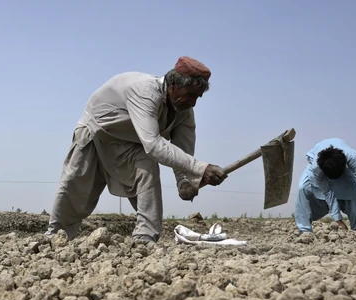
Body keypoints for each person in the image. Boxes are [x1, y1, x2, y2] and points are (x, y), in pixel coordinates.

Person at [45, 56, 227, 244]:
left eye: (197, 97)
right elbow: (154, 145)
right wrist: (201, 168)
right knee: (75, 185)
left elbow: (183, 152)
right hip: (97, 133)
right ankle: (55, 238)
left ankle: (145, 238)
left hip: (132, 144)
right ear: (173, 84)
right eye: (189, 94)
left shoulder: (184, 112)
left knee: (147, 167)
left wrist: (184, 181)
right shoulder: (145, 92)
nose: (193, 102)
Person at [294, 138, 356, 233]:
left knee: (354, 192)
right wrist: (338, 220)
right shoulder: (317, 167)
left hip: (344, 169)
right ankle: (304, 231)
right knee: (303, 187)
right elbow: (328, 193)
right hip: (320, 170)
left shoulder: (353, 159)